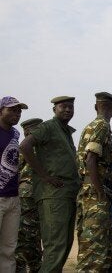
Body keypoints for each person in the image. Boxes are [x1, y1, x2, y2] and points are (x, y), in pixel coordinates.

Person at [20, 96, 81, 272]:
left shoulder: (65, 131)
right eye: (63, 107)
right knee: (55, 245)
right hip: (53, 195)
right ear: (54, 109)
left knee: (64, 244)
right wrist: (45, 176)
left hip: (66, 194)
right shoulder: (48, 126)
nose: (68, 110)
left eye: (71, 107)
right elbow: (25, 146)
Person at [75, 92, 112, 271]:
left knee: (100, 245)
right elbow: (91, 159)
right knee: (95, 249)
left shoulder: (89, 126)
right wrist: (99, 190)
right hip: (95, 194)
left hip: (88, 189)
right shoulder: (102, 125)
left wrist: (110, 177)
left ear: (95, 107)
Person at [0, 96, 27, 272]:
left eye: (19, 111)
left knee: (9, 249)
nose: (16, 114)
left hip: (13, 198)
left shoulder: (16, 134)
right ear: (1, 111)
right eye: (11, 109)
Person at [16, 118, 43, 273]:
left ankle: (30, 265)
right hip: (29, 196)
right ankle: (31, 265)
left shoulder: (35, 147)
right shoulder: (25, 148)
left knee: (30, 234)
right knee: (29, 235)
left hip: (33, 195)